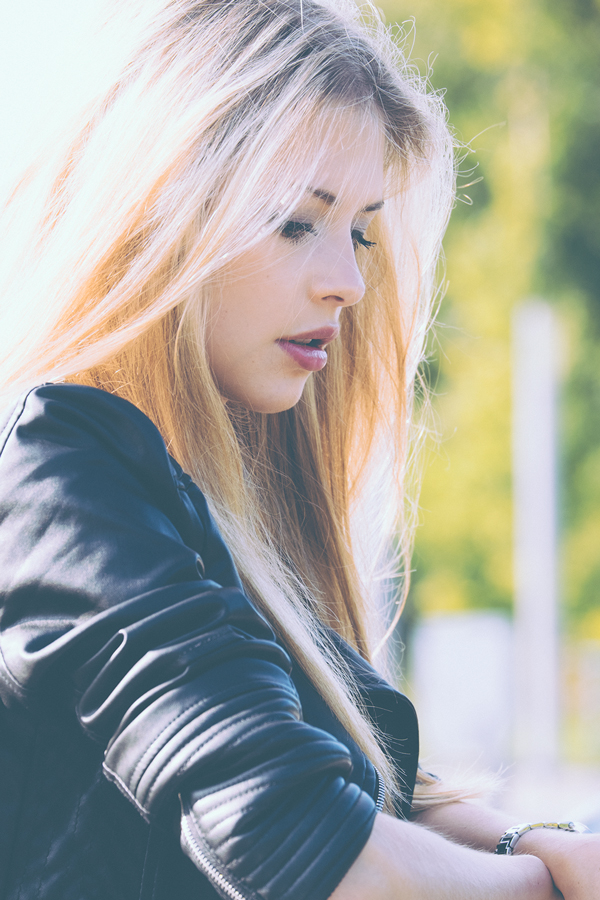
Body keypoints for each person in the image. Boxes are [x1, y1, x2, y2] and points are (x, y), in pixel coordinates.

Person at [0, 1, 597, 898]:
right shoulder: (55, 469)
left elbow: (360, 786)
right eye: (295, 223)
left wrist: (537, 842)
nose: (349, 282)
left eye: (360, 230)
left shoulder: (213, 499)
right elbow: (299, 839)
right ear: (157, 209)